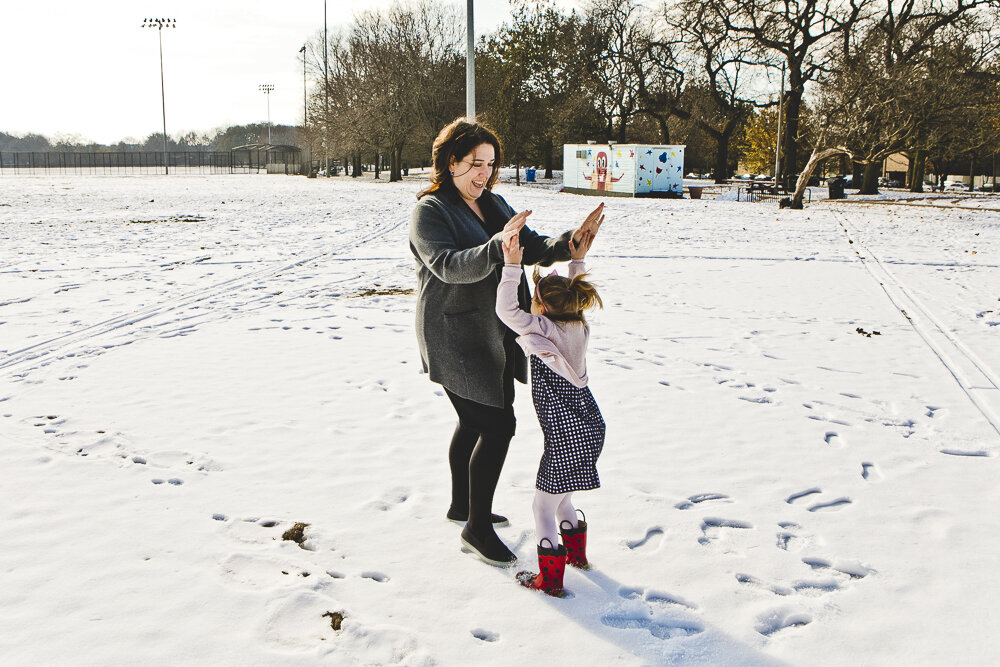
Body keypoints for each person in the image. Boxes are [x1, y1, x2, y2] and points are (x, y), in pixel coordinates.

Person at [409, 117, 604, 567]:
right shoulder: (431, 211)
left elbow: (530, 246)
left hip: (496, 333)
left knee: (475, 421)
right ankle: (475, 529)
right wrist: (498, 248)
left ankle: (462, 505)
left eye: (490, 164)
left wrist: (570, 244)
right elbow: (448, 265)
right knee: (496, 424)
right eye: (475, 163)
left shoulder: (491, 202)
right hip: (454, 334)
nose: (484, 173)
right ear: (451, 161)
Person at [495, 224, 605, 597]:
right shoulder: (578, 326)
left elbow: (505, 308)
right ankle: (577, 556)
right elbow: (572, 297)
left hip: (565, 439)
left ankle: (550, 580)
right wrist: (577, 261)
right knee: (564, 499)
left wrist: (512, 266)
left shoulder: (539, 330)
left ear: (540, 307)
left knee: (542, 507)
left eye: (534, 300)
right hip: (591, 429)